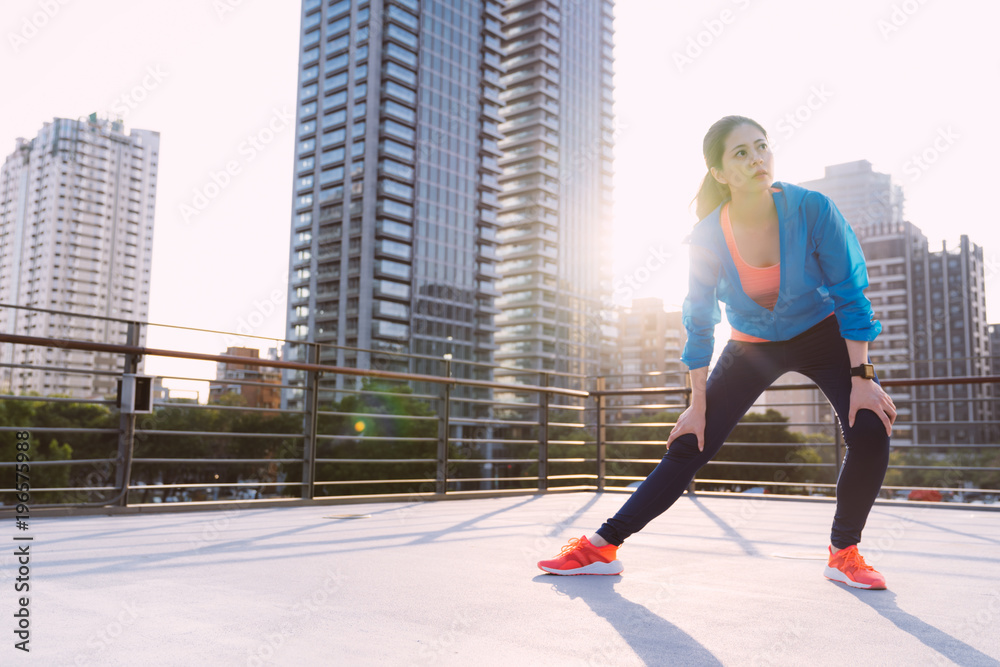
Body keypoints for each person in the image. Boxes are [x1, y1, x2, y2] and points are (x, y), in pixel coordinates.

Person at [537, 116, 896, 590]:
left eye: (762, 146)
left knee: (871, 428)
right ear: (720, 172)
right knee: (694, 441)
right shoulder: (707, 237)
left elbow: (851, 294)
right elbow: (700, 320)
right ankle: (602, 546)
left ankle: (843, 552)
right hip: (751, 345)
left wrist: (862, 377)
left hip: (820, 331)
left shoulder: (813, 209)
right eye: (741, 153)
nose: (756, 158)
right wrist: (696, 404)